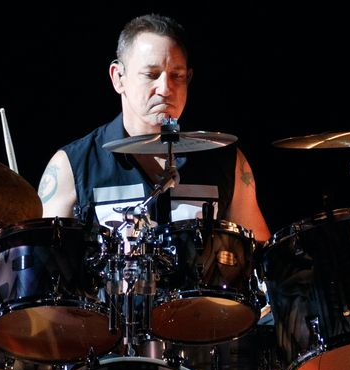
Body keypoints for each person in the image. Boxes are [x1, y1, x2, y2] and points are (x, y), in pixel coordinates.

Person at [38, 13, 270, 241]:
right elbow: (43, 263)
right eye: (151, 74)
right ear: (118, 77)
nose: (165, 89)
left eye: (176, 76)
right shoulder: (73, 165)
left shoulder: (226, 160)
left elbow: (259, 259)